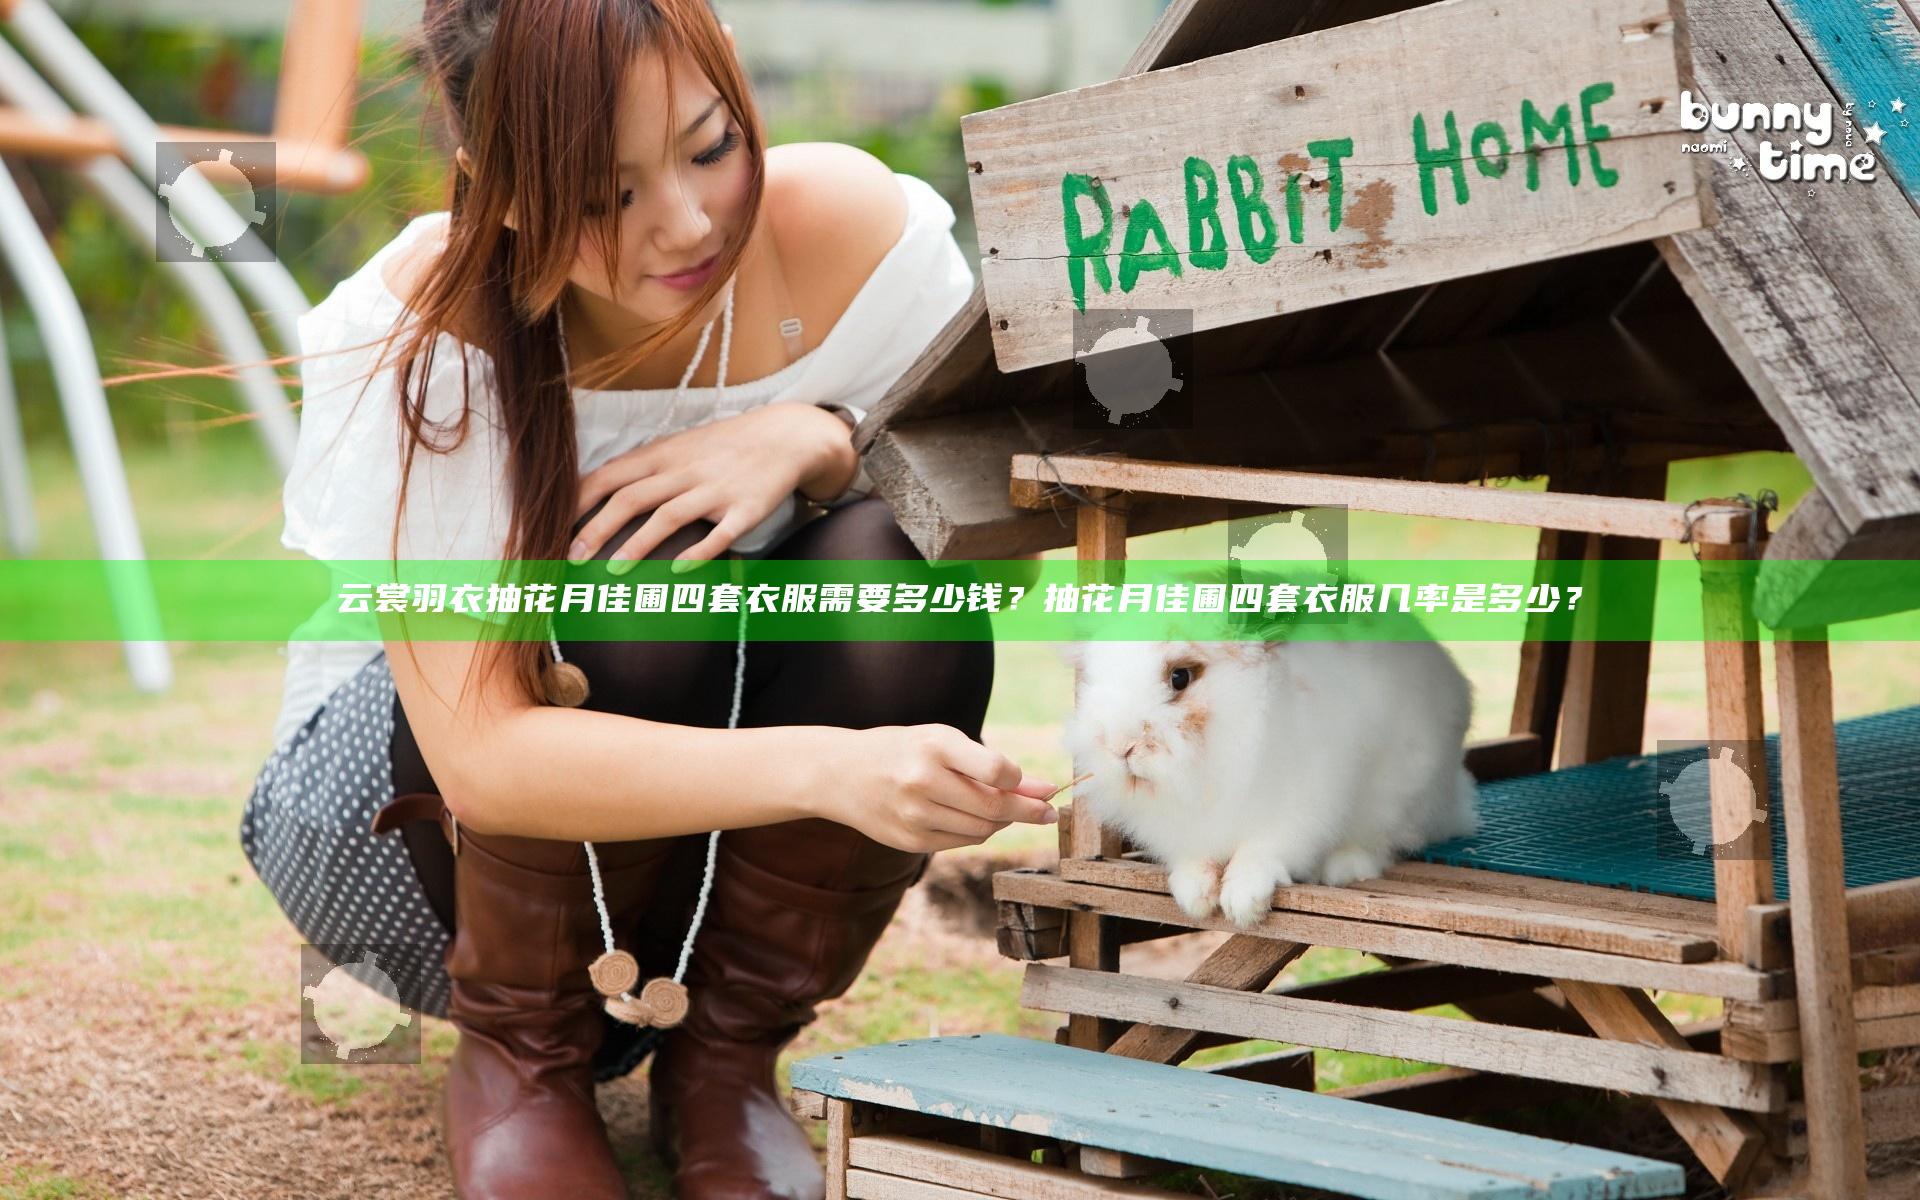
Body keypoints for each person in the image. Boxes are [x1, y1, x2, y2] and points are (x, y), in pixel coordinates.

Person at [236, 2, 1060, 1197]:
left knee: (894, 568)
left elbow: (998, 565)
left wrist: (822, 434)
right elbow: (483, 760)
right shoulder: (428, 328)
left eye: (710, 146)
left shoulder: (860, 241)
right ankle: (524, 1061)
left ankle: (725, 1064)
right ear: (495, 183)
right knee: (640, 569)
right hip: (406, 825)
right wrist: (830, 769)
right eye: (601, 191)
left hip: (703, 838)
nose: (683, 222)